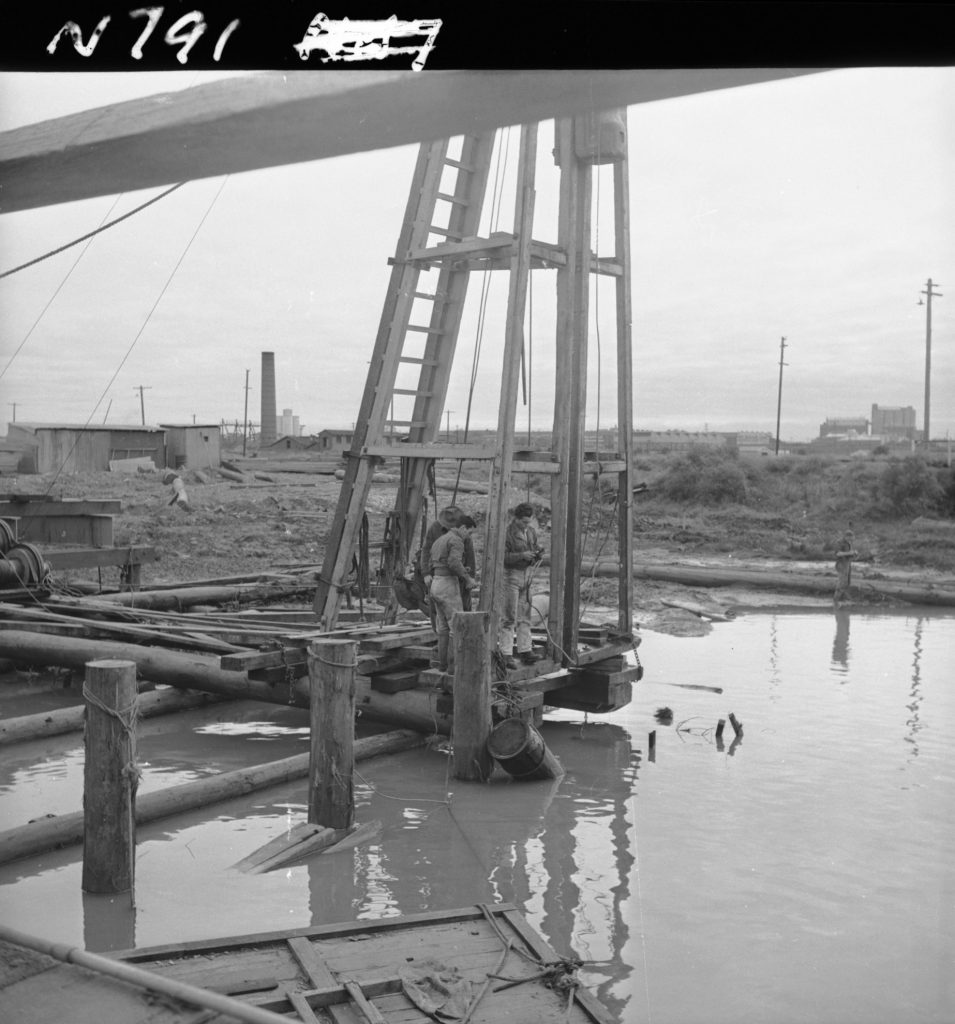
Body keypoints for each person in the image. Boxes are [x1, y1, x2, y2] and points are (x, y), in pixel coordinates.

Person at [428, 512, 478, 673]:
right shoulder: (456, 540)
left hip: (436, 583)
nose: (468, 536)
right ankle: (454, 668)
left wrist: (462, 569)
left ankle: (443, 666)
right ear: (463, 528)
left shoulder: (440, 540)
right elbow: (453, 561)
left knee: (443, 628)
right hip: (448, 585)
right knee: (457, 626)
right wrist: (468, 578)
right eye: (469, 532)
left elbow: (438, 563)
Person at [499, 502, 544, 669]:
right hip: (511, 576)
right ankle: (506, 653)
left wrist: (537, 554)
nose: (527, 525)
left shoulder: (531, 532)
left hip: (527, 575)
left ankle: (525, 650)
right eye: (524, 521)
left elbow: (534, 548)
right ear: (516, 518)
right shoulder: (507, 533)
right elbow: (503, 557)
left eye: (528, 521)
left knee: (525, 615)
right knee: (509, 616)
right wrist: (522, 555)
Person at [419, 505, 477, 623]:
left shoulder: (463, 535)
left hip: (456, 577)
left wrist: (470, 578)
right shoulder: (436, 529)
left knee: (461, 611)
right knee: (451, 618)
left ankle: (454, 639)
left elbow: (470, 557)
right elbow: (426, 551)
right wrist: (425, 573)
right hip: (443, 577)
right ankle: (454, 639)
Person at [833, 529, 857, 605]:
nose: (851, 539)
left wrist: (854, 554)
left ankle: (842, 599)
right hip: (841, 564)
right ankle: (836, 601)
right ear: (846, 536)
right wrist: (849, 553)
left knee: (847, 583)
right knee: (842, 583)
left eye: (852, 537)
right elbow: (838, 554)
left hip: (847, 564)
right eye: (849, 537)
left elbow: (848, 554)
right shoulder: (840, 542)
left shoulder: (849, 543)